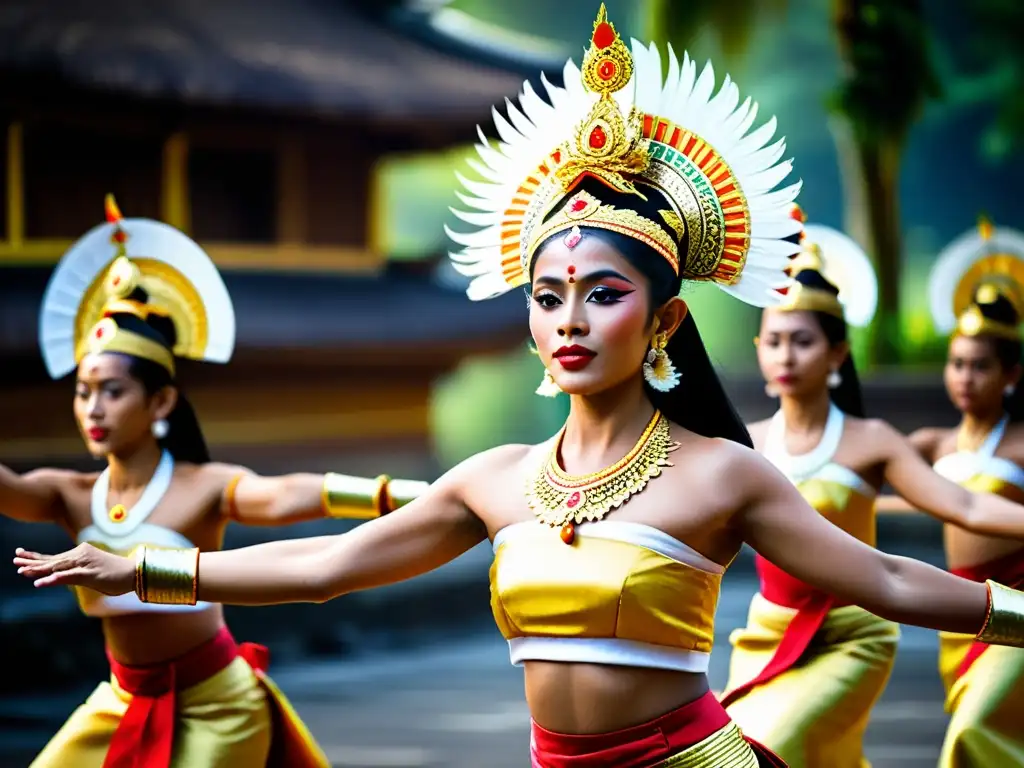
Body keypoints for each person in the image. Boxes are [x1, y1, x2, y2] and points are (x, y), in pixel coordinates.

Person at [14, 9, 1024, 768]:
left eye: (602, 294)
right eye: (547, 296)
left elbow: (885, 580)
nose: (569, 318)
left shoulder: (723, 474)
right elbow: (326, 568)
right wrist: (148, 571)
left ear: (665, 319)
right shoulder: (495, 479)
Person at [4, 196, 427, 768]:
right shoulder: (67, 493)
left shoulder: (205, 486)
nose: (93, 408)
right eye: (83, 391)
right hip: (119, 699)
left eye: (112, 390)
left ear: (161, 401)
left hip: (217, 704)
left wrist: (416, 496)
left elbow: (282, 495)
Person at [719, 212, 1024, 767]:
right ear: (760, 350)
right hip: (767, 633)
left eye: (802, 341)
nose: (786, 355)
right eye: (775, 341)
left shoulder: (872, 442)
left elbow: (963, 503)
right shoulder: (745, 446)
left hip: (852, 631)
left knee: (771, 749)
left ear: (837, 354)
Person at [880, 218, 1024, 768]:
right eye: (957, 364)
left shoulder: (1019, 445)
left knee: (974, 730)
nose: (965, 377)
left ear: (1010, 375)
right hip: (956, 612)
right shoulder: (931, 445)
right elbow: (862, 479)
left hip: (1017, 604)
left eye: (980, 367)